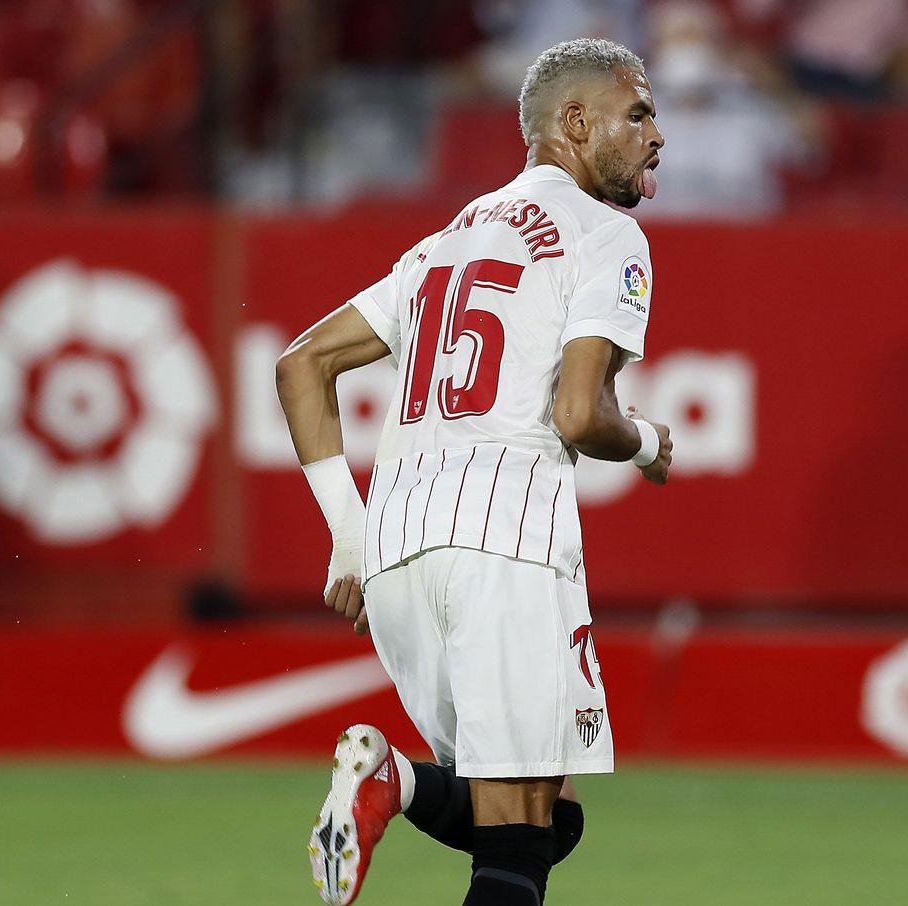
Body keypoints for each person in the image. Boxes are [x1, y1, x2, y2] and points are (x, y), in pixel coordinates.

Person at [276, 38, 670, 906]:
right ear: (575, 123)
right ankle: (393, 781)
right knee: (521, 841)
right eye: (637, 113)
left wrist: (350, 529)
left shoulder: (445, 241)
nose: (657, 135)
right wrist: (646, 443)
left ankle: (395, 784)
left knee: (547, 817)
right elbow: (579, 415)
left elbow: (301, 363)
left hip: (400, 553)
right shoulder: (609, 235)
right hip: (506, 539)